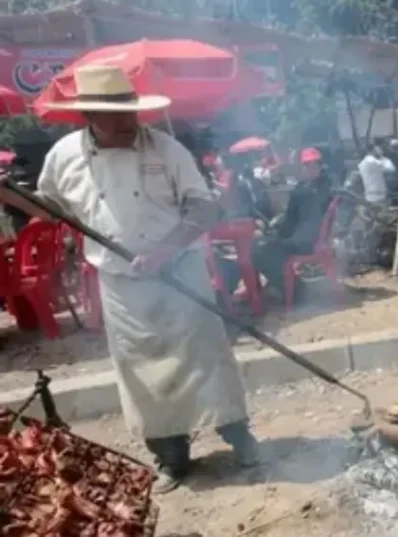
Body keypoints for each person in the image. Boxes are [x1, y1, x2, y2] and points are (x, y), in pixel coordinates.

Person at [0, 65, 257, 493]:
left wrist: (164, 251)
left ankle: (240, 438)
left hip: (180, 272)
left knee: (208, 361)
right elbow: (53, 210)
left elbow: (203, 208)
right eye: (115, 114)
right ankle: (171, 457)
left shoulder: (166, 148)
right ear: (89, 116)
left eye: (129, 110)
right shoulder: (64, 155)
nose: (128, 120)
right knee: (144, 377)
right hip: (121, 285)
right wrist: (10, 194)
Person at [251, 147, 333, 299]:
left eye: (313, 165)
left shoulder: (302, 190)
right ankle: (287, 286)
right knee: (267, 245)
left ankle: (294, 291)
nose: (310, 168)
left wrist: (273, 233)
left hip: (304, 243)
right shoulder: (329, 185)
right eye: (308, 165)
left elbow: (290, 222)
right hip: (316, 240)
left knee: (259, 249)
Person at [357, 139, 395, 205]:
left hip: (369, 196)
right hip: (379, 197)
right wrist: (382, 157)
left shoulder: (361, 163)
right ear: (374, 149)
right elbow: (391, 168)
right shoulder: (373, 161)